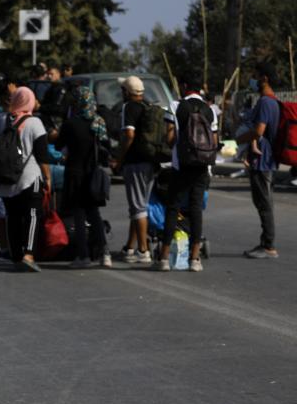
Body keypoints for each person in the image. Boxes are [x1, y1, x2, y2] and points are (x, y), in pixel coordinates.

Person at [154, 75, 218, 272]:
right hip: (202, 166)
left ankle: (164, 258)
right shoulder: (210, 110)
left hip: (181, 165)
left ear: (184, 85)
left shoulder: (175, 106)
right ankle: (194, 258)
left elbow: (170, 136)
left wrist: (179, 148)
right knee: (196, 209)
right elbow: (214, 141)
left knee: (173, 208)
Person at [0, 86, 51, 272]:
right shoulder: (35, 123)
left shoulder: (0, 120)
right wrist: (48, 177)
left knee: (13, 217)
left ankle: (16, 255)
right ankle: (29, 253)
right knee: (33, 214)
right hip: (30, 177)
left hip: (6, 179)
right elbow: (42, 155)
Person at [55, 86, 112, 269]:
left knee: (79, 215)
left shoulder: (71, 124)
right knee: (94, 214)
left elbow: (58, 146)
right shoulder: (98, 123)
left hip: (74, 173)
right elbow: (107, 146)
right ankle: (105, 253)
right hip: (93, 174)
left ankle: (83, 255)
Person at [237, 63, 281, 260]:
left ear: (264, 79)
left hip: (262, 160)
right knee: (264, 201)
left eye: (255, 76)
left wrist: (239, 139)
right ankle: (266, 242)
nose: (253, 80)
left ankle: (268, 245)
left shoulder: (265, 103)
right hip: (265, 157)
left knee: (264, 202)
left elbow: (259, 131)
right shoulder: (271, 101)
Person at [112, 76, 155, 264]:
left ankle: (143, 250)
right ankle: (130, 247)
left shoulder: (128, 107)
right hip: (151, 162)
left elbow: (129, 134)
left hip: (135, 162)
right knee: (139, 207)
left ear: (127, 92)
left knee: (138, 207)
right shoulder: (148, 106)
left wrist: (119, 159)